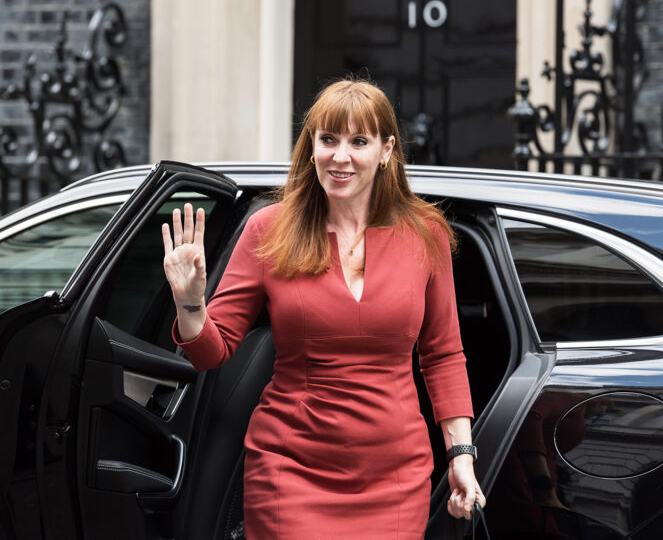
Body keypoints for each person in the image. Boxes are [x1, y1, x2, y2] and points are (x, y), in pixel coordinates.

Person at [161, 78, 486, 539]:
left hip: (395, 478)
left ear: (387, 150)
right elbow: (213, 352)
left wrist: (461, 457)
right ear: (311, 147)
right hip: (291, 471)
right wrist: (190, 301)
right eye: (328, 139)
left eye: (359, 142)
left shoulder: (425, 235)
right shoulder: (269, 230)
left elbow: (443, 355)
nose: (340, 156)